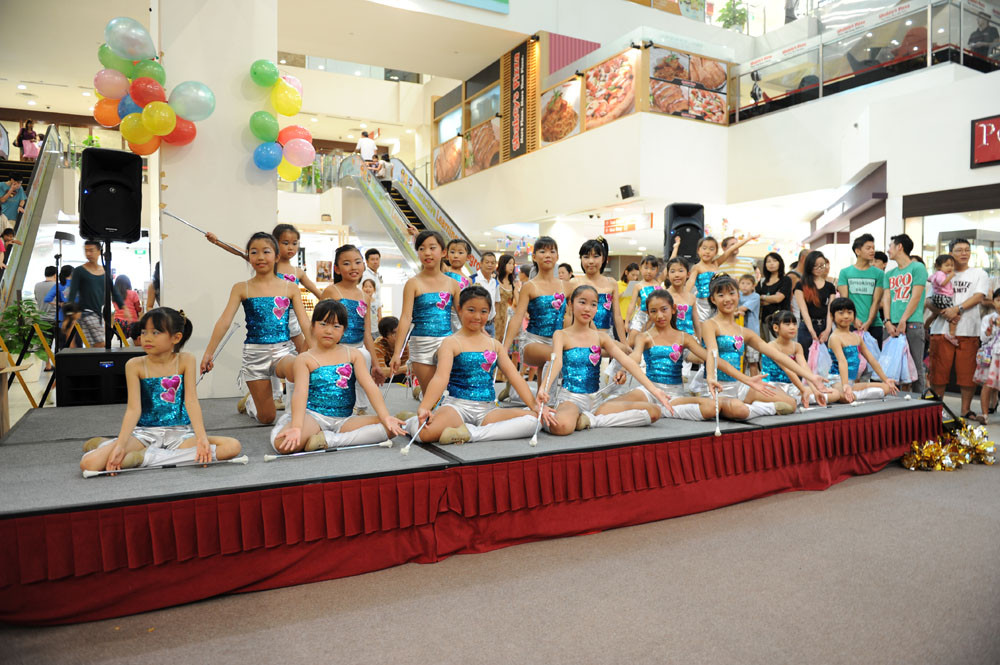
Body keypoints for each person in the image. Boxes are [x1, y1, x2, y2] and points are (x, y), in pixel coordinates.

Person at [80, 308, 242, 472]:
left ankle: (145, 458)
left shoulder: (186, 360)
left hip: (180, 435)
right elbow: (133, 410)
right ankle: (127, 449)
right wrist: (120, 446)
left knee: (232, 446)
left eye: (155, 332)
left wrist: (201, 439)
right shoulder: (134, 365)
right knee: (89, 463)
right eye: (144, 332)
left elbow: (191, 402)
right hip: (144, 435)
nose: (147, 338)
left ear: (176, 337)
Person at [399, 285, 545, 445]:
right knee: (425, 434)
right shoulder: (450, 343)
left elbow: (515, 377)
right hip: (456, 407)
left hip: (488, 410)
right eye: (471, 310)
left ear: (489, 313)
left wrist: (534, 405)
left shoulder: (495, 345)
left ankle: (471, 433)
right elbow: (440, 378)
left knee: (535, 420)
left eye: (483, 311)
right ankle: (410, 421)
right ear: (459, 310)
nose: (477, 316)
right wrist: (425, 407)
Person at [201, 232, 311, 425]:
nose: (260, 257)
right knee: (267, 418)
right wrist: (209, 353)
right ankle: (251, 403)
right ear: (248, 256)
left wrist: (317, 351)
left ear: (276, 256)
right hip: (254, 356)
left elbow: (305, 323)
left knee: (300, 368)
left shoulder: (290, 288)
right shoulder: (241, 288)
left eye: (266, 252)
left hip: (282, 352)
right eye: (254, 252)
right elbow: (225, 321)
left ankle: (295, 418)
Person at [269, 300, 406, 454]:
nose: (329, 331)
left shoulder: (353, 354)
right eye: (323, 324)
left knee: (392, 428)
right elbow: (300, 393)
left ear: (343, 330)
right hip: (313, 417)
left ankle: (329, 440)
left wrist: (385, 416)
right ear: (313, 326)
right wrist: (296, 427)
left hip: (345, 419)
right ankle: (323, 436)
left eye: (336, 326)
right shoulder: (304, 359)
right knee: (283, 445)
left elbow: (369, 386)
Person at [536, 285, 674, 436]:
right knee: (561, 426)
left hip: (597, 400)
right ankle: (586, 418)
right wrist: (544, 389)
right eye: (582, 302)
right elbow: (556, 363)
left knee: (654, 411)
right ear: (570, 304)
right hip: (572, 399)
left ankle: (591, 420)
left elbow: (627, 362)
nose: (587, 309)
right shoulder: (561, 334)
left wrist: (655, 390)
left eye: (593, 304)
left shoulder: (601, 337)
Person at [612, 289, 763, 421]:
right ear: (648, 313)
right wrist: (623, 370)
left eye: (664, 309)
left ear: (673, 309)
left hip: (675, 396)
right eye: (653, 311)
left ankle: (661, 409)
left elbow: (711, 358)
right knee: (611, 406)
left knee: (711, 407)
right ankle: (657, 408)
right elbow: (635, 356)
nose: (659, 315)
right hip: (649, 391)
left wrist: (746, 379)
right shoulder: (644, 337)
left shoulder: (684, 337)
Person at [695, 274, 823, 418]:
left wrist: (811, 377)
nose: (727, 299)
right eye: (721, 295)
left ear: (738, 295)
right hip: (717, 387)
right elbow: (713, 355)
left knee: (790, 403)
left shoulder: (744, 332)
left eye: (731, 293)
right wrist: (713, 377)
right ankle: (750, 408)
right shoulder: (710, 325)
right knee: (739, 410)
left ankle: (752, 407)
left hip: (740, 385)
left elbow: (777, 355)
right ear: (713, 299)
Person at [391, 230, 461, 400]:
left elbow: (462, 316)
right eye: (422, 249)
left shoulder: (453, 284)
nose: (427, 253)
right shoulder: (413, 283)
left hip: (447, 343)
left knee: (450, 394)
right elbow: (405, 318)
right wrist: (397, 353)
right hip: (421, 344)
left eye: (432, 248)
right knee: (432, 397)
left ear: (443, 252)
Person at [499, 236, 569, 400]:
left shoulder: (566, 286)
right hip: (532, 342)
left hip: (557, 341)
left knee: (554, 357)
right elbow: (518, 317)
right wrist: (504, 349)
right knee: (554, 356)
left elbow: (571, 317)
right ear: (534, 257)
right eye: (542, 251)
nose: (548, 255)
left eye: (552, 251)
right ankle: (546, 401)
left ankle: (530, 396)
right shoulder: (529, 287)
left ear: (557, 256)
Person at [927, 238, 990, 419]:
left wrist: (957, 309)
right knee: (938, 373)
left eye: (967, 250)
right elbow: (928, 301)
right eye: (959, 250)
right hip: (941, 330)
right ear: (950, 253)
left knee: (967, 374)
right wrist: (944, 312)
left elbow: (979, 296)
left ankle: (965, 410)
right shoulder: (940, 274)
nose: (964, 253)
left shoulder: (979, 273)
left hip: (969, 330)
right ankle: (936, 410)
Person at [319, 245, 385, 414]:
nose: (353, 267)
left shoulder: (365, 297)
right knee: (338, 383)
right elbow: (319, 325)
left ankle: (362, 407)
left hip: (358, 348)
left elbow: (367, 333)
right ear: (337, 269)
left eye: (357, 262)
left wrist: (376, 364)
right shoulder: (332, 291)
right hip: (335, 348)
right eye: (347, 263)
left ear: (363, 265)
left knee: (363, 365)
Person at [826, 298, 899, 403]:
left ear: (854, 315)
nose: (846, 316)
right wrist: (845, 385)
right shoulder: (835, 337)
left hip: (852, 382)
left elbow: (871, 359)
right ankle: (849, 394)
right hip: (837, 381)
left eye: (849, 313)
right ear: (832, 316)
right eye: (841, 313)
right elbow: (842, 361)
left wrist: (885, 379)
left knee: (886, 388)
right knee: (843, 396)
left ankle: (854, 395)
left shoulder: (857, 337)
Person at [762, 310, 838, 407]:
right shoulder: (771, 346)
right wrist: (803, 390)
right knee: (789, 401)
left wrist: (815, 391)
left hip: (791, 386)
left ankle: (799, 399)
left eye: (794, 324)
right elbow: (789, 371)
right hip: (772, 386)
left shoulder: (797, 346)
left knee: (835, 393)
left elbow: (805, 368)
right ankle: (795, 399)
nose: (792, 327)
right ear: (776, 327)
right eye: (787, 324)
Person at [883, 233, 927, 393]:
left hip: (912, 323)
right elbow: (886, 298)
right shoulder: (889, 274)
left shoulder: (918, 268)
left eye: (890, 246)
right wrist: (887, 321)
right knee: (891, 367)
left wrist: (903, 320)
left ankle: (919, 403)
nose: (888, 250)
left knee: (915, 366)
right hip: (892, 325)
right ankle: (895, 402)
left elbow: (916, 296)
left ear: (899, 247)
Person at [568, 238, 628, 347]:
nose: (591, 261)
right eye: (586, 257)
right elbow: (569, 315)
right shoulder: (574, 283)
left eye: (595, 256)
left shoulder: (611, 283)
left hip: (608, 338)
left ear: (603, 258)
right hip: (581, 339)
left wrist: (624, 344)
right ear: (581, 259)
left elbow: (617, 316)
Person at [686, 235, 758, 324]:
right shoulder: (697, 267)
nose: (707, 252)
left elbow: (731, 249)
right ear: (698, 250)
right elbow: (691, 282)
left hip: (716, 302)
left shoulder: (715, 263)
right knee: (702, 325)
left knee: (716, 325)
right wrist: (684, 295)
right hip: (703, 304)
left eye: (711, 249)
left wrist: (748, 238)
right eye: (704, 248)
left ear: (716, 252)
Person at [68, 240, 125, 346]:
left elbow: (113, 290)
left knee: (95, 346)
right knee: (101, 344)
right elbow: (72, 293)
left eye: (91, 250)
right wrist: (70, 314)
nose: (88, 253)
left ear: (99, 251)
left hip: (99, 313)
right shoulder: (79, 271)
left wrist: (123, 306)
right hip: (87, 312)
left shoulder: (105, 271)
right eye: (86, 250)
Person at [837, 233, 887, 345]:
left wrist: (869, 321)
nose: (872, 251)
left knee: (873, 356)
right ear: (857, 251)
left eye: (873, 248)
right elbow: (845, 300)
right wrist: (854, 319)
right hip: (851, 324)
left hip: (874, 325)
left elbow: (876, 301)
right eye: (868, 248)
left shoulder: (879, 274)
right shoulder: (845, 272)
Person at [792, 251, 837, 351]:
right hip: (806, 327)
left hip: (825, 326)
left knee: (827, 358)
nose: (819, 268)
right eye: (815, 266)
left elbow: (830, 310)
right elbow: (804, 310)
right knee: (806, 357)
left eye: (822, 265)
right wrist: (811, 331)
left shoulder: (830, 286)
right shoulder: (801, 285)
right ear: (809, 265)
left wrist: (827, 330)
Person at [973, 289, 1000, 425]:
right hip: (992, 356)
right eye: (998, 300)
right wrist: (989, 330)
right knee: (987, 385)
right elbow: (983, 338)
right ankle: (984, 414)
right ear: (993, 301)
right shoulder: (988, 318)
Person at [624, 255, 662, 345]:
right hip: (641, 317)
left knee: (649, 343)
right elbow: (632, 304)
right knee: (631, 342)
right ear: (640, 268)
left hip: (655, 318)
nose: (649, 271)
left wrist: (675, 248)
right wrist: (627, 321)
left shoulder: (658, 283)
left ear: (657, 270)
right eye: (646, 268)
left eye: (652, 269)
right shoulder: (638, 285)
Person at [756, 252, 792, 340]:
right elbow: (756, 299)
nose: (771, 263)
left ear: (780, 263)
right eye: (768, 261)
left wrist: (763, 297)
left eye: (775, 261)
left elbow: (778, 298)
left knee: (780, 345)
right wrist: (770, 299)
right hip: (765, 320)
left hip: (781, 320)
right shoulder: (762, 282)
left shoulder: (786, 280)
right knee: (768, 345)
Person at [664, 258, 699, 340]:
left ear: (688, 274)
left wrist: (699, 341)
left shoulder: (692, 297)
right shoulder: (663, 296)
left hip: (689, 339)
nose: (677, 275)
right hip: (669, 339)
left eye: (681, 271)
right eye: (673, 271)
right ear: (668, 275)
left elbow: (697, 324)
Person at [928, 254, 960, 345]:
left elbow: (929, 279)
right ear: (939, 267)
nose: (950, 268)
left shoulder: (936, 274)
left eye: (952, 265)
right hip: (943, 297)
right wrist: (950, 276)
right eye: (947, 265)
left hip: (937, 297)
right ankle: (951, 334)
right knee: (954, 314)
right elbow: (942, 283)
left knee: (949, 313)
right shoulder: (941, 274)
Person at [470, 251, 499, 337]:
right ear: (481, 264)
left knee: (491, 345)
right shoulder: (473, 280)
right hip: (476, 323)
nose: (490, 265)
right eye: (487, 262)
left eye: (492, 263)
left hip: (491, 324)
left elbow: (496, 301)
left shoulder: (495, 282)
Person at [738, 274, 761, 375]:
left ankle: (754, 381)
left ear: (753, 286)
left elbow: (743, 308)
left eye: (748, 284)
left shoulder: (755, 296)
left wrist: (735, 310)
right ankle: (741, 381)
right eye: (742, 283)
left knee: (752, 361)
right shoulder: (737, 295)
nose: (745, 286)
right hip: (739, 332)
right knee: (740, 360)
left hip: (752, 333)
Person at [495, 253, 519, 347]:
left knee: (504, 343)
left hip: (507, 317)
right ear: (503, 264)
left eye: (513, 264)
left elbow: (518, 302)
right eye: (509, 263)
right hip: (494, 316)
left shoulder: (513, 284)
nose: (512, 266)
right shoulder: (494, 280)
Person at [375, 316, 408, 383]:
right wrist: (405, 369)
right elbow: (381, 371)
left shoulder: (405, 345)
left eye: (400, 332)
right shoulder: (378, 346)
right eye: (394, 334)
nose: (399, 336)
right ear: (385, 338)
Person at [363, 248, 383, 331]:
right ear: (367, 261)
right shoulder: (365, 276)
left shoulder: (376, 275)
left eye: (377, 259)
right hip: (369, 311)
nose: (375, 262)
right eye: (372, 259)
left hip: (375, 311)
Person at [617, 262, 640, 328]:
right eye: (633, 275)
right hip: (621, 317)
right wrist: (623, 294)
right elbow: (612, 300)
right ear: (626, 272)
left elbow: (638, 302)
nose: (635, 278)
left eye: (637, 275)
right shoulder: (617, 284)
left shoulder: (637, 285)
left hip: (633, 317)